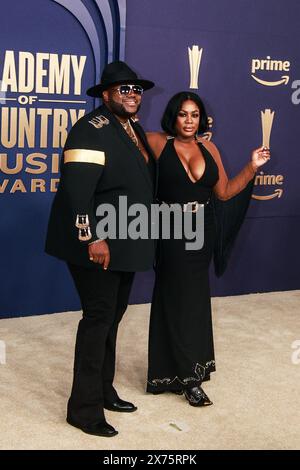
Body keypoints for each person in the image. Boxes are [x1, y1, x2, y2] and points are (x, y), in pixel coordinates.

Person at [45, 61, 156, 437]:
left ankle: (103, 390)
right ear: (106, 95)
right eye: (124, 89)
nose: (132, 95)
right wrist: (92, 237)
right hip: (96, 243)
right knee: (98, 320)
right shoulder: (89, 130)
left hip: (124, 240)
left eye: (136, 89)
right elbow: (77, 192)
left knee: (113, 317)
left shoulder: (131, 128)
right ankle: (83, 410)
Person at [146, 91, 270, 406]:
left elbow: (225, 192)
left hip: (202, 233)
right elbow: (125, 155)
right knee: (174, 300)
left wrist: (252, 166)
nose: (189, 121)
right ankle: (188, 378)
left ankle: (179, 373)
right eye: (183, 114)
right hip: (170, 231)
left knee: (195, 301)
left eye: (195, 115)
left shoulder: (209, 147)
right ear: (173, 116)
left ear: (201, 119)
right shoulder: (157, 142)